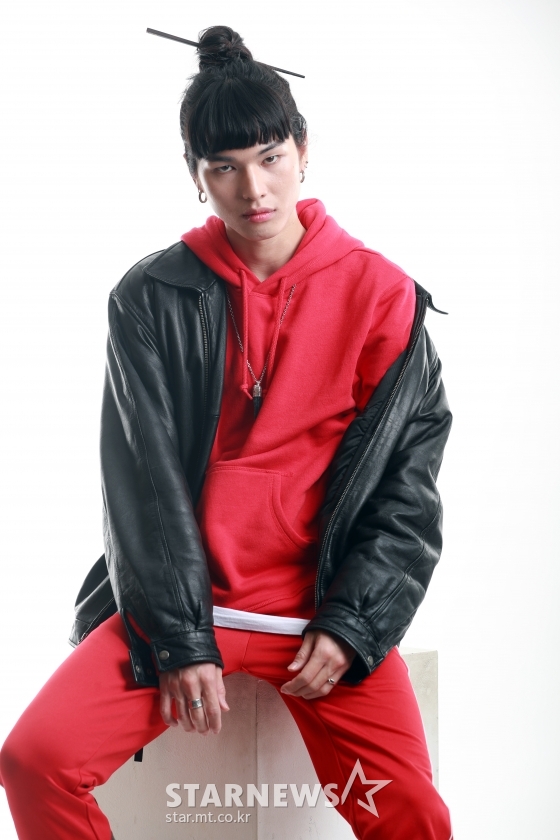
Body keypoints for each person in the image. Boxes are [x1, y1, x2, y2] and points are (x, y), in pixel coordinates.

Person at [0, 24, 454, 840]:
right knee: (35, 762)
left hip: (317, 616)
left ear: (303, 152)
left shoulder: (384, 296)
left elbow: (408, 493)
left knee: (414, 815)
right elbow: (140, 483)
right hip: (185, 607)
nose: (253, 189)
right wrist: (181, 639)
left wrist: (354, 625)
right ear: (195, 175)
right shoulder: (151, 295)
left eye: (270, 157)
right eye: (224, 167)